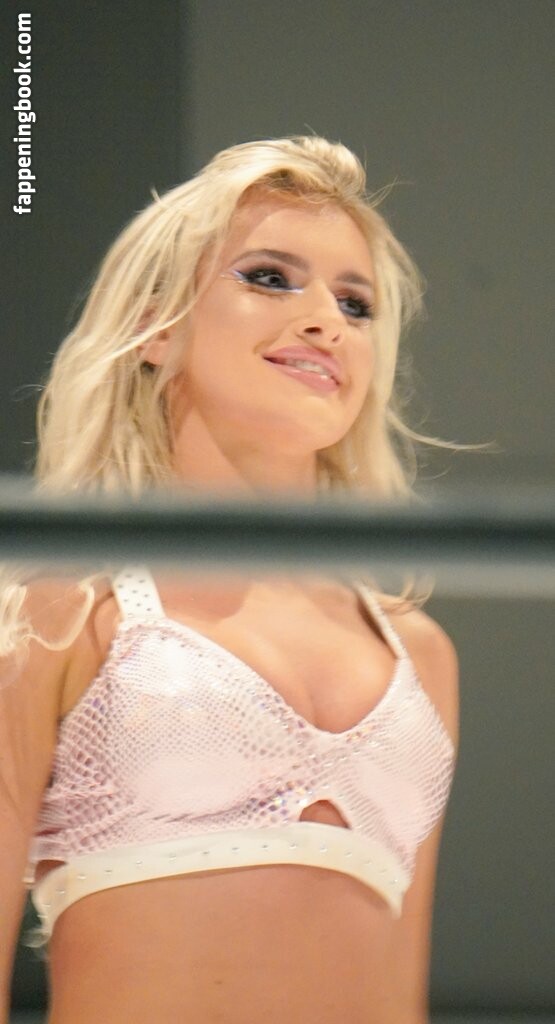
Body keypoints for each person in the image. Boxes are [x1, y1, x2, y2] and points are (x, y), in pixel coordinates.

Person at [0, 135, 459, 1024]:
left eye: (355, 303)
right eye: (271, 278)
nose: (325, 320)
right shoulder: (62, 609)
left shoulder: (418, 654)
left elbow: (402, 994)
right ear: (157, 327)